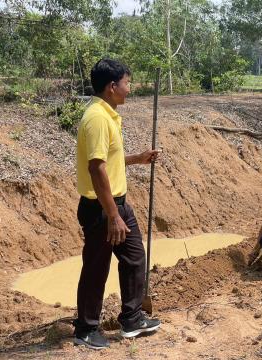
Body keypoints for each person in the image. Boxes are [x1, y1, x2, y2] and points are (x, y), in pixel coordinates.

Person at [74, 58, 160, 349]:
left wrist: (138, 158)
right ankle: (86, 328)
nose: (129, 88)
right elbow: (96, 168)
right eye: (127, 82)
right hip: (102, 209)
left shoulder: (107, 114)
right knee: (97, 267)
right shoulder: (97, 118)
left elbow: (108, 161)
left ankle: (132, 319)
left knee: (134, 257)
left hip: (116, 204)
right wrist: (112, 215)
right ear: (112, 87)